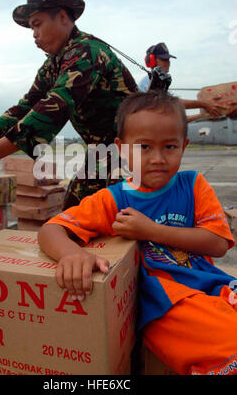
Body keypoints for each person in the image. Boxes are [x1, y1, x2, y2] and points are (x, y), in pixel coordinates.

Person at [38, 90, 237, 375]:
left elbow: (218, 243)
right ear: (121, 148)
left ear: (184, 146)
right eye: (144, 147)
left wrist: (151, 230)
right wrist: (71, 254)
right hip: (168, 303)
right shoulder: (114, 200)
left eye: (170, 147)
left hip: (214, 284)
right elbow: (51, 229)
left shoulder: (193, 185)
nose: (157, 158)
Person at [0, 0, 137, 208]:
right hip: (101, 153)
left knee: (114, 221)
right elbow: (27, 105)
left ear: (62, 18)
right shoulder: (53, 64)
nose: (34, 34)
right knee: (73, 215)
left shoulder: (87, 52)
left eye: (37, 24)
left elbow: (55, 106)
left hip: (130, 153)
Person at [138, 42, 223, 121]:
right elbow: (170, 102)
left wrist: (203, 114)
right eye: (164, 59)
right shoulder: (149, 82)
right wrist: (204, 104)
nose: (168, 62)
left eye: (168, 59)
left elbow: (177, 120)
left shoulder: (162, 86)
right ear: (152, 61)